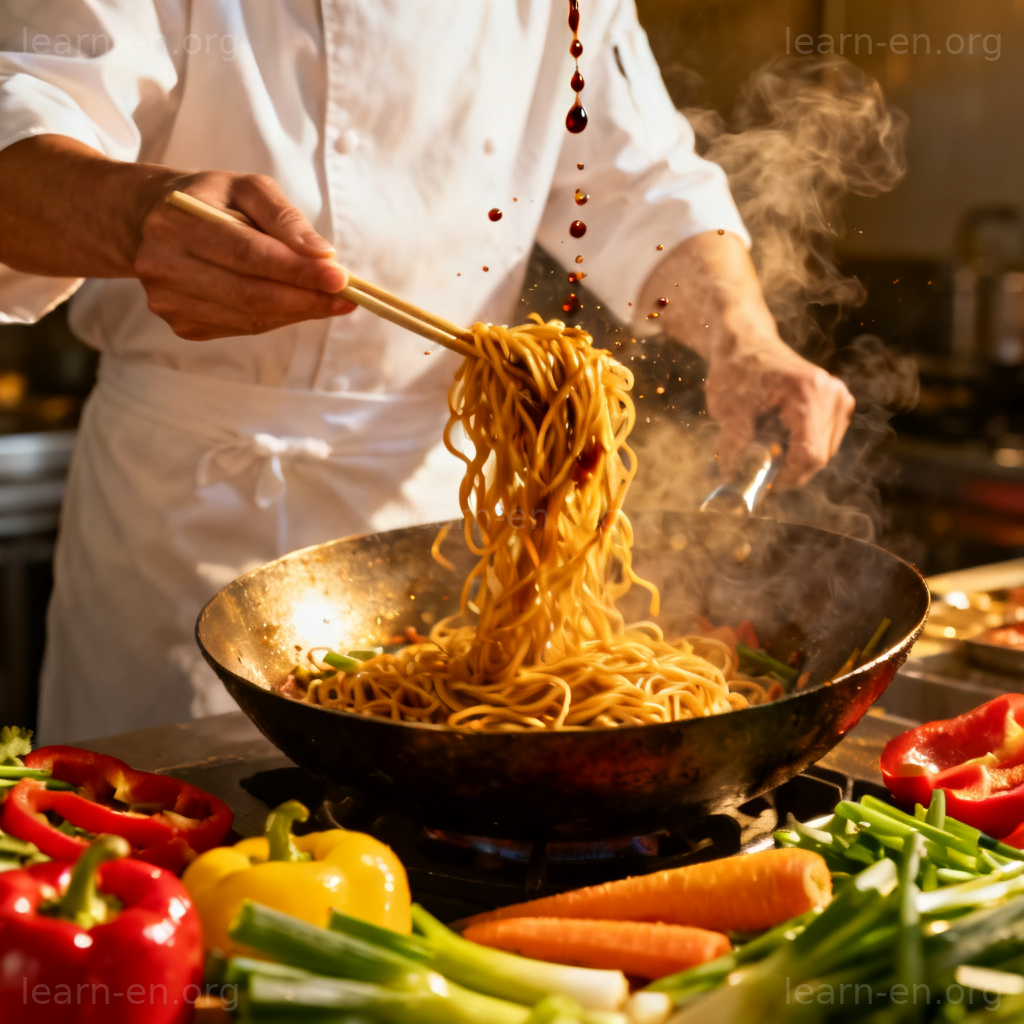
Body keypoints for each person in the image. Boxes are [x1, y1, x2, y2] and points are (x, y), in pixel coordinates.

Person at [0, 2, 854, 742]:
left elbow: (645, 187)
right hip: (185, 516)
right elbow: (18, 137)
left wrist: (747, 341)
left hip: (441, 528)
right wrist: (136, 216)